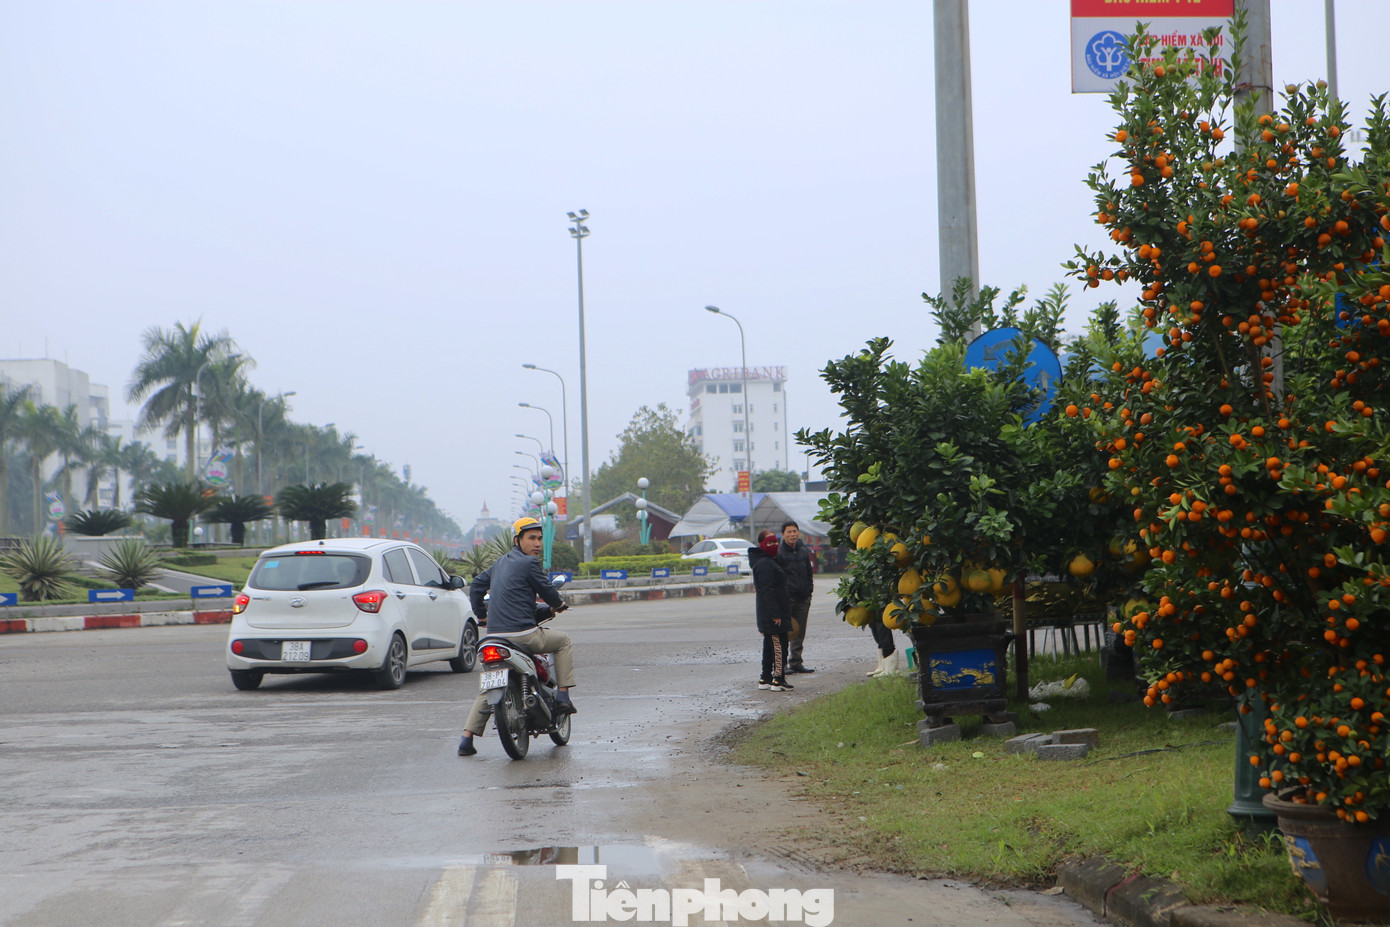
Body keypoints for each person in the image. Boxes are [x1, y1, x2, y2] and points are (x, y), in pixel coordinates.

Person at [457, 517, 574, 757]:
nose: (537, 543)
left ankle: (466, 739)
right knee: (563, 641)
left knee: (491, 683)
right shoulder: (529, 563)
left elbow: (477, 586)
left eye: (539, 538)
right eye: (531, 538)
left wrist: (481, 617)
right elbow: (547, 591)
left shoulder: (499, 564)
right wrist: (558, 604)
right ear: (517, 540)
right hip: (523, 636)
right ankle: (563, 696)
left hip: (494, 639)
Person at [749, 528, 794, 692]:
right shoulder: (765, 564)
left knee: (769, 646)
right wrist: (775, 614)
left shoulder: (770, 561)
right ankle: (778, 679)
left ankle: (765, 678)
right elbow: (767, 591)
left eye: (776, 541)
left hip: (775, 611)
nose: (774, 545)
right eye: (769, 542)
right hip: (772, 614)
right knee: (779, 646)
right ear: (761, 544)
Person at [775, 520, 815, 673]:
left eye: (795, 531)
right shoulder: (779, 553)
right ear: (783, 534)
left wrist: (809, 590)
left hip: (803, 598)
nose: (792, 534)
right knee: (784, 633)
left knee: (800, 632)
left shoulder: (803, 551)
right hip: (787, 599)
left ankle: (796, 662)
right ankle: (781, 664)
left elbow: (809, 572)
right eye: (789, 532)